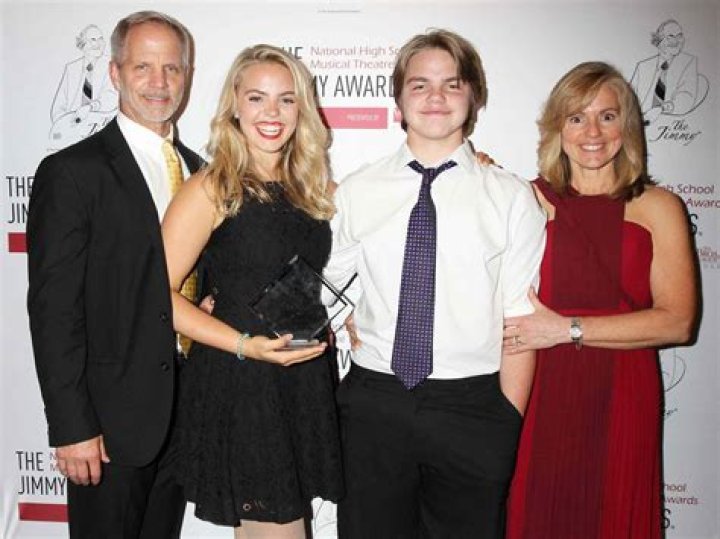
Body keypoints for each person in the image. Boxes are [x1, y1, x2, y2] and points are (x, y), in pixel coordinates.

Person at [323, 29, 546, 538]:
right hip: (375, 401)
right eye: (420, 85)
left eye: (453, 84)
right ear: (398, 99)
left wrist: (505, 422)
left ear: (474, 96)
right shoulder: (357, 190)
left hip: (473, 407)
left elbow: (520, 319)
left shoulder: (511, 197)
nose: (436, 97)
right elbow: (320, 284)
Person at [27, 11, 202, 538]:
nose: (159, 82)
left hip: (183, 419)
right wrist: (72, 425)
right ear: (114, 73)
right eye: (143, 66)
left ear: (187, 76)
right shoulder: (73, 172)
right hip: (106, 426)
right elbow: (54, 311)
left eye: (172, 68)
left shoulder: (199, 171)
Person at [505, 61, 697, 539]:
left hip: (624, 390)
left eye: (607, 117)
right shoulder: (525, 199)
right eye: (577, 118)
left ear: (626, 126)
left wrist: (566, 328)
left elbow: (677, 322)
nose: (592, 132)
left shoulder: (659, 207)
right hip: (540, 387)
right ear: (558, 128)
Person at [161, 44, 343, 538]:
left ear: (302, 109)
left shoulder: (312, 187)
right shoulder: (212, 187)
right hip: (244, 381)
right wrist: (246, 345)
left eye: (286, 99)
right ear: (234, 106)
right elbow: (157, 296)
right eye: (257, 98)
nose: (272, 113)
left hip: (299, 378)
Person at [630, 19, 707, 125]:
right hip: (638, 122)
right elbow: (627, 96)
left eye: (679, 36)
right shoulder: (643, 66)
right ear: (659, 40)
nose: (676, 41)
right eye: (671, 37)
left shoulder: (688, 62)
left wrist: (662, 108)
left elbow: (686, 96)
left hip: (668, 122)